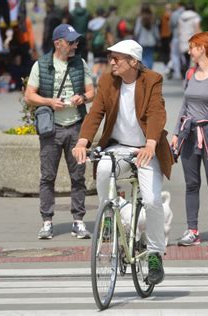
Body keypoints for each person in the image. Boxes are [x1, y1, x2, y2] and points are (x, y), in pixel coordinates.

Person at [72, 39, 174, 285]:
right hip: (118, 146)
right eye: (111, 57)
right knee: (104, 169)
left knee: (151, 200)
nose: (112, 62)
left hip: (145, 149)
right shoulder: (108, 80)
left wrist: (150, 142)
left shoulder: (152, 80)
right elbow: (96, 112)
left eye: (117, 58)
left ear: (134, 62)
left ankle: (155, 254)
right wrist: (83, 141)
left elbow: (156, 112)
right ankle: (114, 217)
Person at [24, 24, 95, 240]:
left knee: (78, 176)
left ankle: (78, 221)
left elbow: (92, 92)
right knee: (47, 176)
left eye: (76, 41)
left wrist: (82, 97)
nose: (75, 45)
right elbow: (29, 95)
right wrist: (49, 102)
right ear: (58, 43)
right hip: (51, 129)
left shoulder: (79, 63)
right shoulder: (41, 64)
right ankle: (47, 222)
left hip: (76, 127)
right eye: (71, 41)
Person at [171, 32, 208, 247]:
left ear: (202, 48)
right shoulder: (189, 75)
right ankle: (192, 231)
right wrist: (176, 133)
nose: (189, 51)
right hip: (189, 135)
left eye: (192, 47)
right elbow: (185, 106)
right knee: (191, 184)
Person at [177, 4, 201, 78]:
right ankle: (191, 76)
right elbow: (197, 29)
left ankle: (185, 73)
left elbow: (179, 31)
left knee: (185, 59)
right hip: (192, 40)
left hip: (183, 41)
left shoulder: (180, 17)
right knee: (193, 60)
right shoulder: (195, 17)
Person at [134, 5, 159, 70]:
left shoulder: (140, 19)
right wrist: (158, 39)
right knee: (150, 57)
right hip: (151, 41)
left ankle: (145, 70)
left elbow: (137, 31)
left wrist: (135, 38)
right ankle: (149, 70)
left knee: (143, 57)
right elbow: (156, 31)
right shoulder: (152, 19)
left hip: (142, 41)